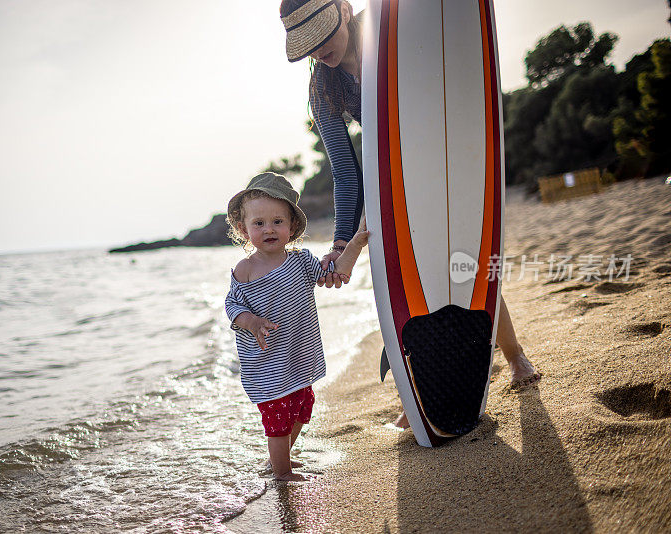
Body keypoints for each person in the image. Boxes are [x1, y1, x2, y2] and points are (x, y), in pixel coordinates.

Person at [279, 0, 541, 429]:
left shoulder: (390, 31)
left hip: (445, 159)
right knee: (397, 279)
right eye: (308, 44)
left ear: (344, 11)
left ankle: (514, 357)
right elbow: (346, 172)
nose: (320, 49)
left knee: (463, 264)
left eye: (323, 33)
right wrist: (343, 241)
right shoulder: (322, 88)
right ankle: (423, 391)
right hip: (393, 178)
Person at [225, 172, 368, 481]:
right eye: (259, 223)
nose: (269, 229)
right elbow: (232, 306)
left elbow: (337, 274)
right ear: (243, 229)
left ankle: (280, 459)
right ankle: (281, 472)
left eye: (278, 221)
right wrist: (251, 322)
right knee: (277, 420)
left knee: (302, 408)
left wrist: (354, 244)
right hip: (267, 362)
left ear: (291, 226)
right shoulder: (245, 270)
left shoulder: (301, 261)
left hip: (298, 357)